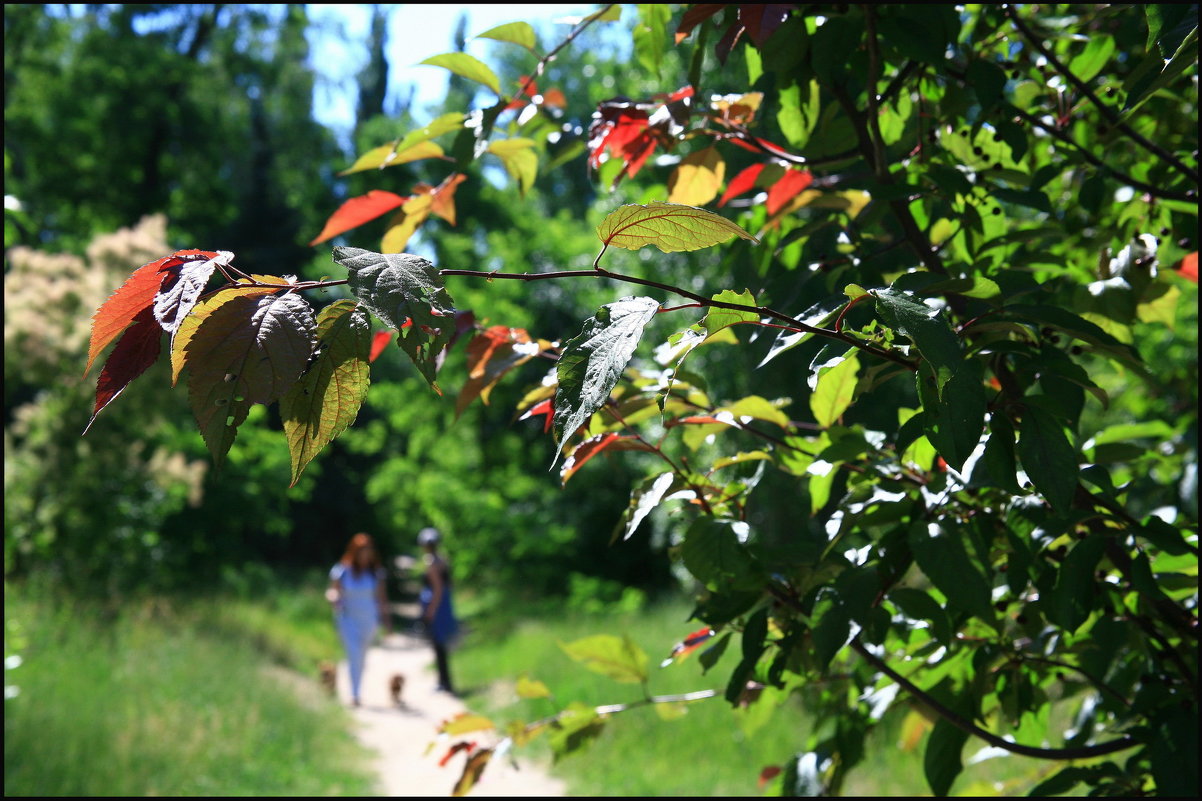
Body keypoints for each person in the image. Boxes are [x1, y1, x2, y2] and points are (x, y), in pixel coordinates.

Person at [326, 532, 390, 706]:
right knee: (353, 654)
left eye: (368, 551)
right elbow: (333, 591)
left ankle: (357, 687)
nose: (365, 555)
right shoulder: (341, 571)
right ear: (355, 551)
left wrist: (387, 623)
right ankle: (355, 694)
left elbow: (382, 599)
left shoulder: (376, 573)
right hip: (347, 619)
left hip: (369, 620)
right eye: (362, 551)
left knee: (361, 656)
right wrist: (333, 598)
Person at [417, 527, 459, 694]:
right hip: (444, 605)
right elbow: (448, 585)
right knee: (441, 645)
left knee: (438, 644)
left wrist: (431, 611)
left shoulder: (431, 562)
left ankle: (444, 682)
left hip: (436, 606)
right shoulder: (443, 559)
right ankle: (445, 681)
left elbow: (438, 588)